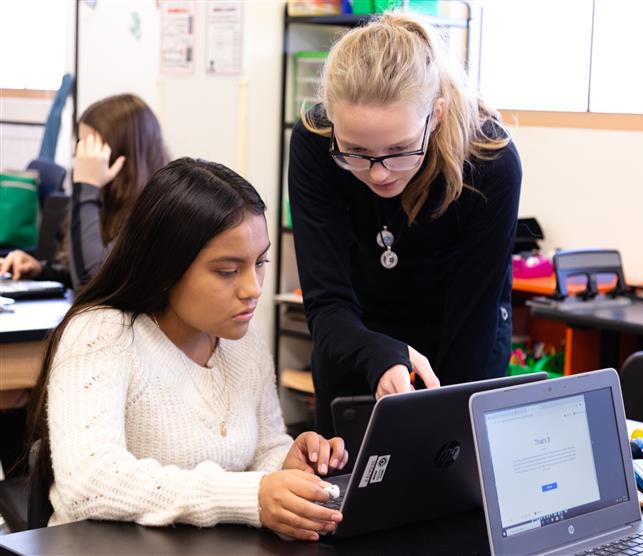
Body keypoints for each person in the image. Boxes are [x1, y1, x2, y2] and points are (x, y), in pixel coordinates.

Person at [26, 158, 347, 541]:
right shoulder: (102, 333)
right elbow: (89, 481)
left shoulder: (241, 338)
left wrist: (288, 463)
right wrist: (252, 494)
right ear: (165, 268)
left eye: (260, 262)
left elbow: (263, 448)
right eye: (228, 271)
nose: (253, 288)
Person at [288, 13, 522, 436]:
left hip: (461, 336)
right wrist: (376, 352)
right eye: (356, 151)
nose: (379, 173)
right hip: (354, 336)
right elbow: (327, 304)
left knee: (448, 472)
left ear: (435, 115)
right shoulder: (313, 142)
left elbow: (474, 318)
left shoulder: (489, 160)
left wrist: (440, 423)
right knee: (351, 482)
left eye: (400, 150)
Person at [0, 94, 169, 289]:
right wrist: (40, 269)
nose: (82, 158)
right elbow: (82, 267)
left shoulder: (156, 211)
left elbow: (92, 280)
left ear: (121, 155)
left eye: (91, 149)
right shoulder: (106, 197)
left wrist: (87, 186)